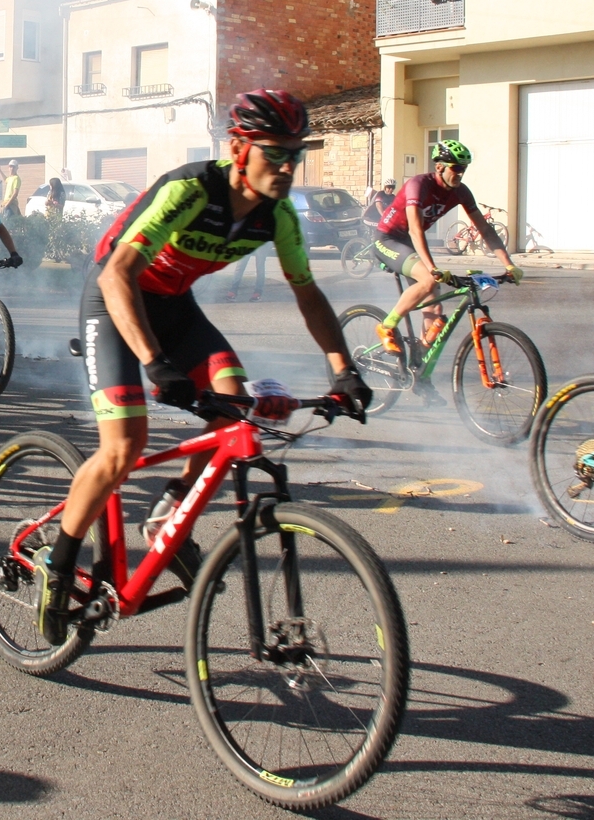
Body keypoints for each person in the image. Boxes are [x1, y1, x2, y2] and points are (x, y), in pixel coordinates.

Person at [34, 90, 368, 642]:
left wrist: (344, 370)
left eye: (295, 154)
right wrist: (154, 362)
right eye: (275, 153)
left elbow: (308, 294)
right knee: (124, 447)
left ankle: (169, 512)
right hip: (115, 300)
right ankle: (60, 564)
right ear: (238, 149)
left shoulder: (278, 215)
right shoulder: (190, 190)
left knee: (233, 410)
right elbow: (117, 273)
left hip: (175, 307)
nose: (287, 167)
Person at [370, 141, 519, 363]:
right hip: (388, 239)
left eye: (464, 169)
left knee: (435, 309)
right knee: (429, 280)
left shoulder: (461, 192)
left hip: (410, 243)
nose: (460, 174)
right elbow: (415, 229)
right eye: (456, 168)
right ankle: (386, 326)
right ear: (439, 167)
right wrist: (432, 268)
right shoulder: (418, 185)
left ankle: (420, 366)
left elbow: (485, 229)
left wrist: (509, 265)